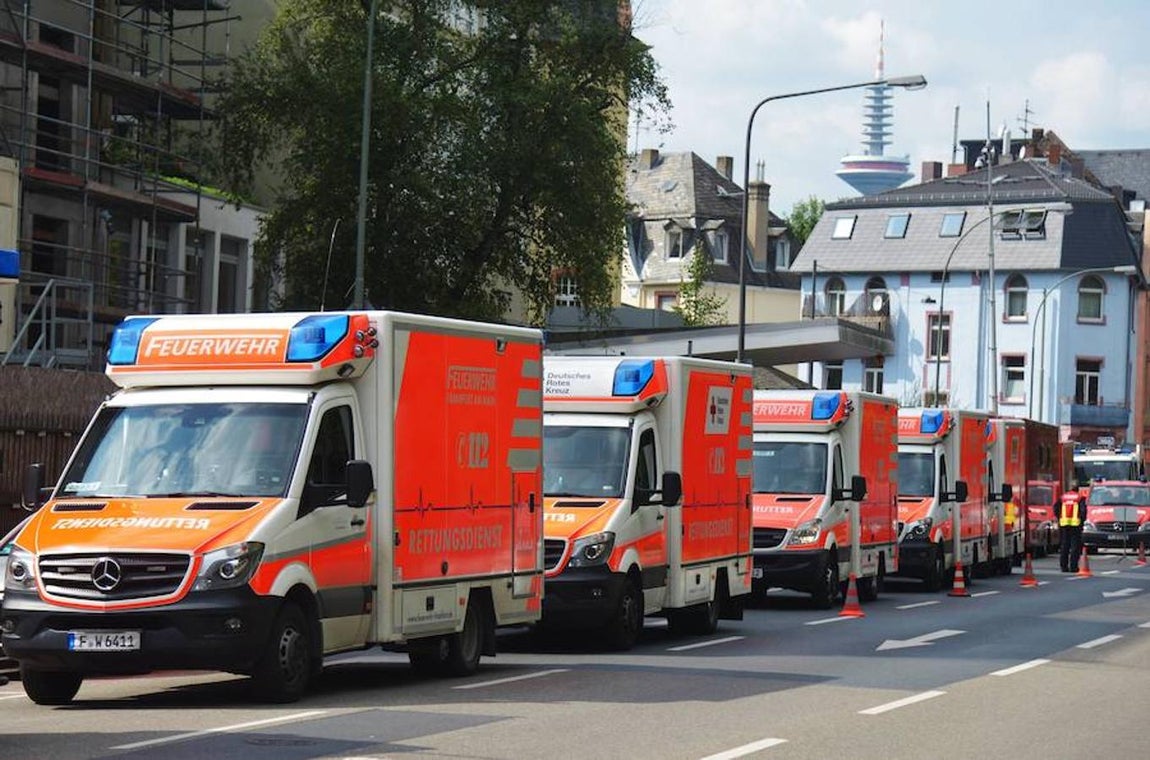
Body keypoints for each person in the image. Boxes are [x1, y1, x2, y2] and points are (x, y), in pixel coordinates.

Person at [1057, 485, 1087, 572]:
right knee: (1075, 547)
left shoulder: (1063, 497)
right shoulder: (1080, 498)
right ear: (1077, 490)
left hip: (1064, 524)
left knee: (1064, 546)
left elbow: (1056, 508)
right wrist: (1081, 521)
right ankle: (1073, 567)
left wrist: (1060, 518)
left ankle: (1064, 567)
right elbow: (1083, 511)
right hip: (1075, 525)